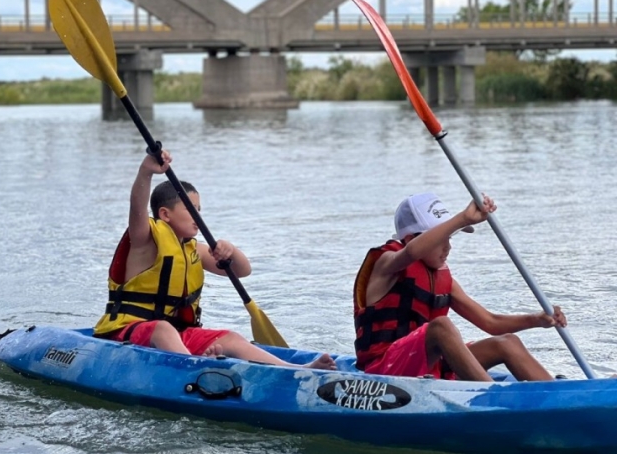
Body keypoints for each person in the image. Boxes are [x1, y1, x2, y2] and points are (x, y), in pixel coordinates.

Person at [93, 149, 335, 370]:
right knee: (163, 328)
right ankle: (196, 367)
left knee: (230, 338)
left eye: (200, 209)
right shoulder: (144, 240)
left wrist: (231, 251)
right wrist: (145, 172)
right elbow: (137, 207)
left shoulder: (194, 250)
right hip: (126, 330)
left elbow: (243, 270)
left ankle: (296, 370)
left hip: (178, 335)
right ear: (165, 214)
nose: (198, 216)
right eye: (191, 209)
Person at [352, 192, 566, 382]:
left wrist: (537, 319)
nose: (448, 247)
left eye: (450, 238)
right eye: (441, 238)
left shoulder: (443, 280)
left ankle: (555, 397)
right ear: (409, 238)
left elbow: (490, 322)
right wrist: (462, 218)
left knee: (507, 342)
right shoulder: (386, 264)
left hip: (430, 367)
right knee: (440, 326)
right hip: (384, 372)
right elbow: (410, 253)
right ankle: (493, 398)